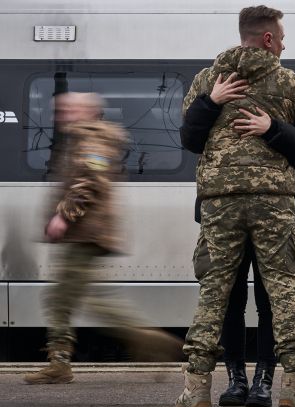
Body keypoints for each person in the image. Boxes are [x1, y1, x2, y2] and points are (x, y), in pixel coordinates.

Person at [175, 5, 295, 407]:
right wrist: (213, 102)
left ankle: (195, 390)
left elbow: (187, 139)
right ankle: (294, 387)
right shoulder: (286, 80)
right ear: (269, 39)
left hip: (219, 204)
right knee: (282, 292)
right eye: (283, 36)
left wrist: (269, 127)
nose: (285, 43)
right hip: (272, 204)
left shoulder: (207, 77)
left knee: (214, 293)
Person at [23, 92, 182, 385]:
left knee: (70, 299)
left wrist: (63, 216)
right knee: (69, 298)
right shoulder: (80, 138)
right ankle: (61, 362)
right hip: (82, 234)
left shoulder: (93, 138)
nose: (61, 114)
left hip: (85, 233)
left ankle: (149, 340)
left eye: (69, 108)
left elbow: (90, 181)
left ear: (89, 111)